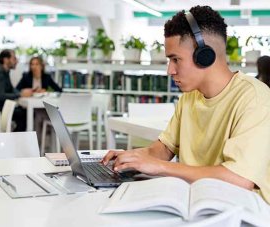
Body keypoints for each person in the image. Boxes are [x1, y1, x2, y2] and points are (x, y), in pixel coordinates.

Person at [102, 5, 270, 204]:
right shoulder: (190, 96)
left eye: (175, 59)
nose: (169, 70)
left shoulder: (255, 98)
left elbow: (239, 180)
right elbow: (163, 149)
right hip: (196, 202)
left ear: (205, 56)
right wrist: (132, 157)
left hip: (242, 211)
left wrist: (159, 167)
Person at [0, 49, 32, 131]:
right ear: (5, 60)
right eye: (14, 58)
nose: (16, 61)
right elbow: (1, 96)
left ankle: (15, 138)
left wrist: (21, 92)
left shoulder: (4, 71)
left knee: (23, 112)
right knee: (24, 114)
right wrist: (20, 95)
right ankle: (16, 140)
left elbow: (11, 89)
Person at [16, 56, 62, 144]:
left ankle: (38, 143)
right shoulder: (26, 76)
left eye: (37, 64)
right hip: (28, 107)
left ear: (41, 66)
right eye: (32, 64)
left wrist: (46, 91)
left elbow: (59, 90)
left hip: (42, 106)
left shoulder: (46, 77)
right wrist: (27, 91)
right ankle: (35, 143)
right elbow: (17, 90)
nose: (34, 67)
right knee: (37, 116)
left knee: (40, 116)